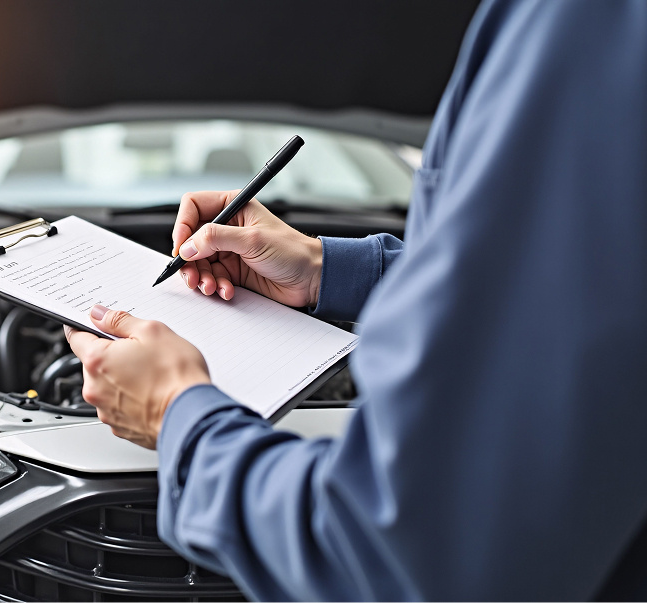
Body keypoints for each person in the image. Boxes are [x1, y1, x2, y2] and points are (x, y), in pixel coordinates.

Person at [63, 0, 647, 599]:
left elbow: (405, 556)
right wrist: (324, 271)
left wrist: (177, 415)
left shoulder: (586, 26)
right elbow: (548, 290)